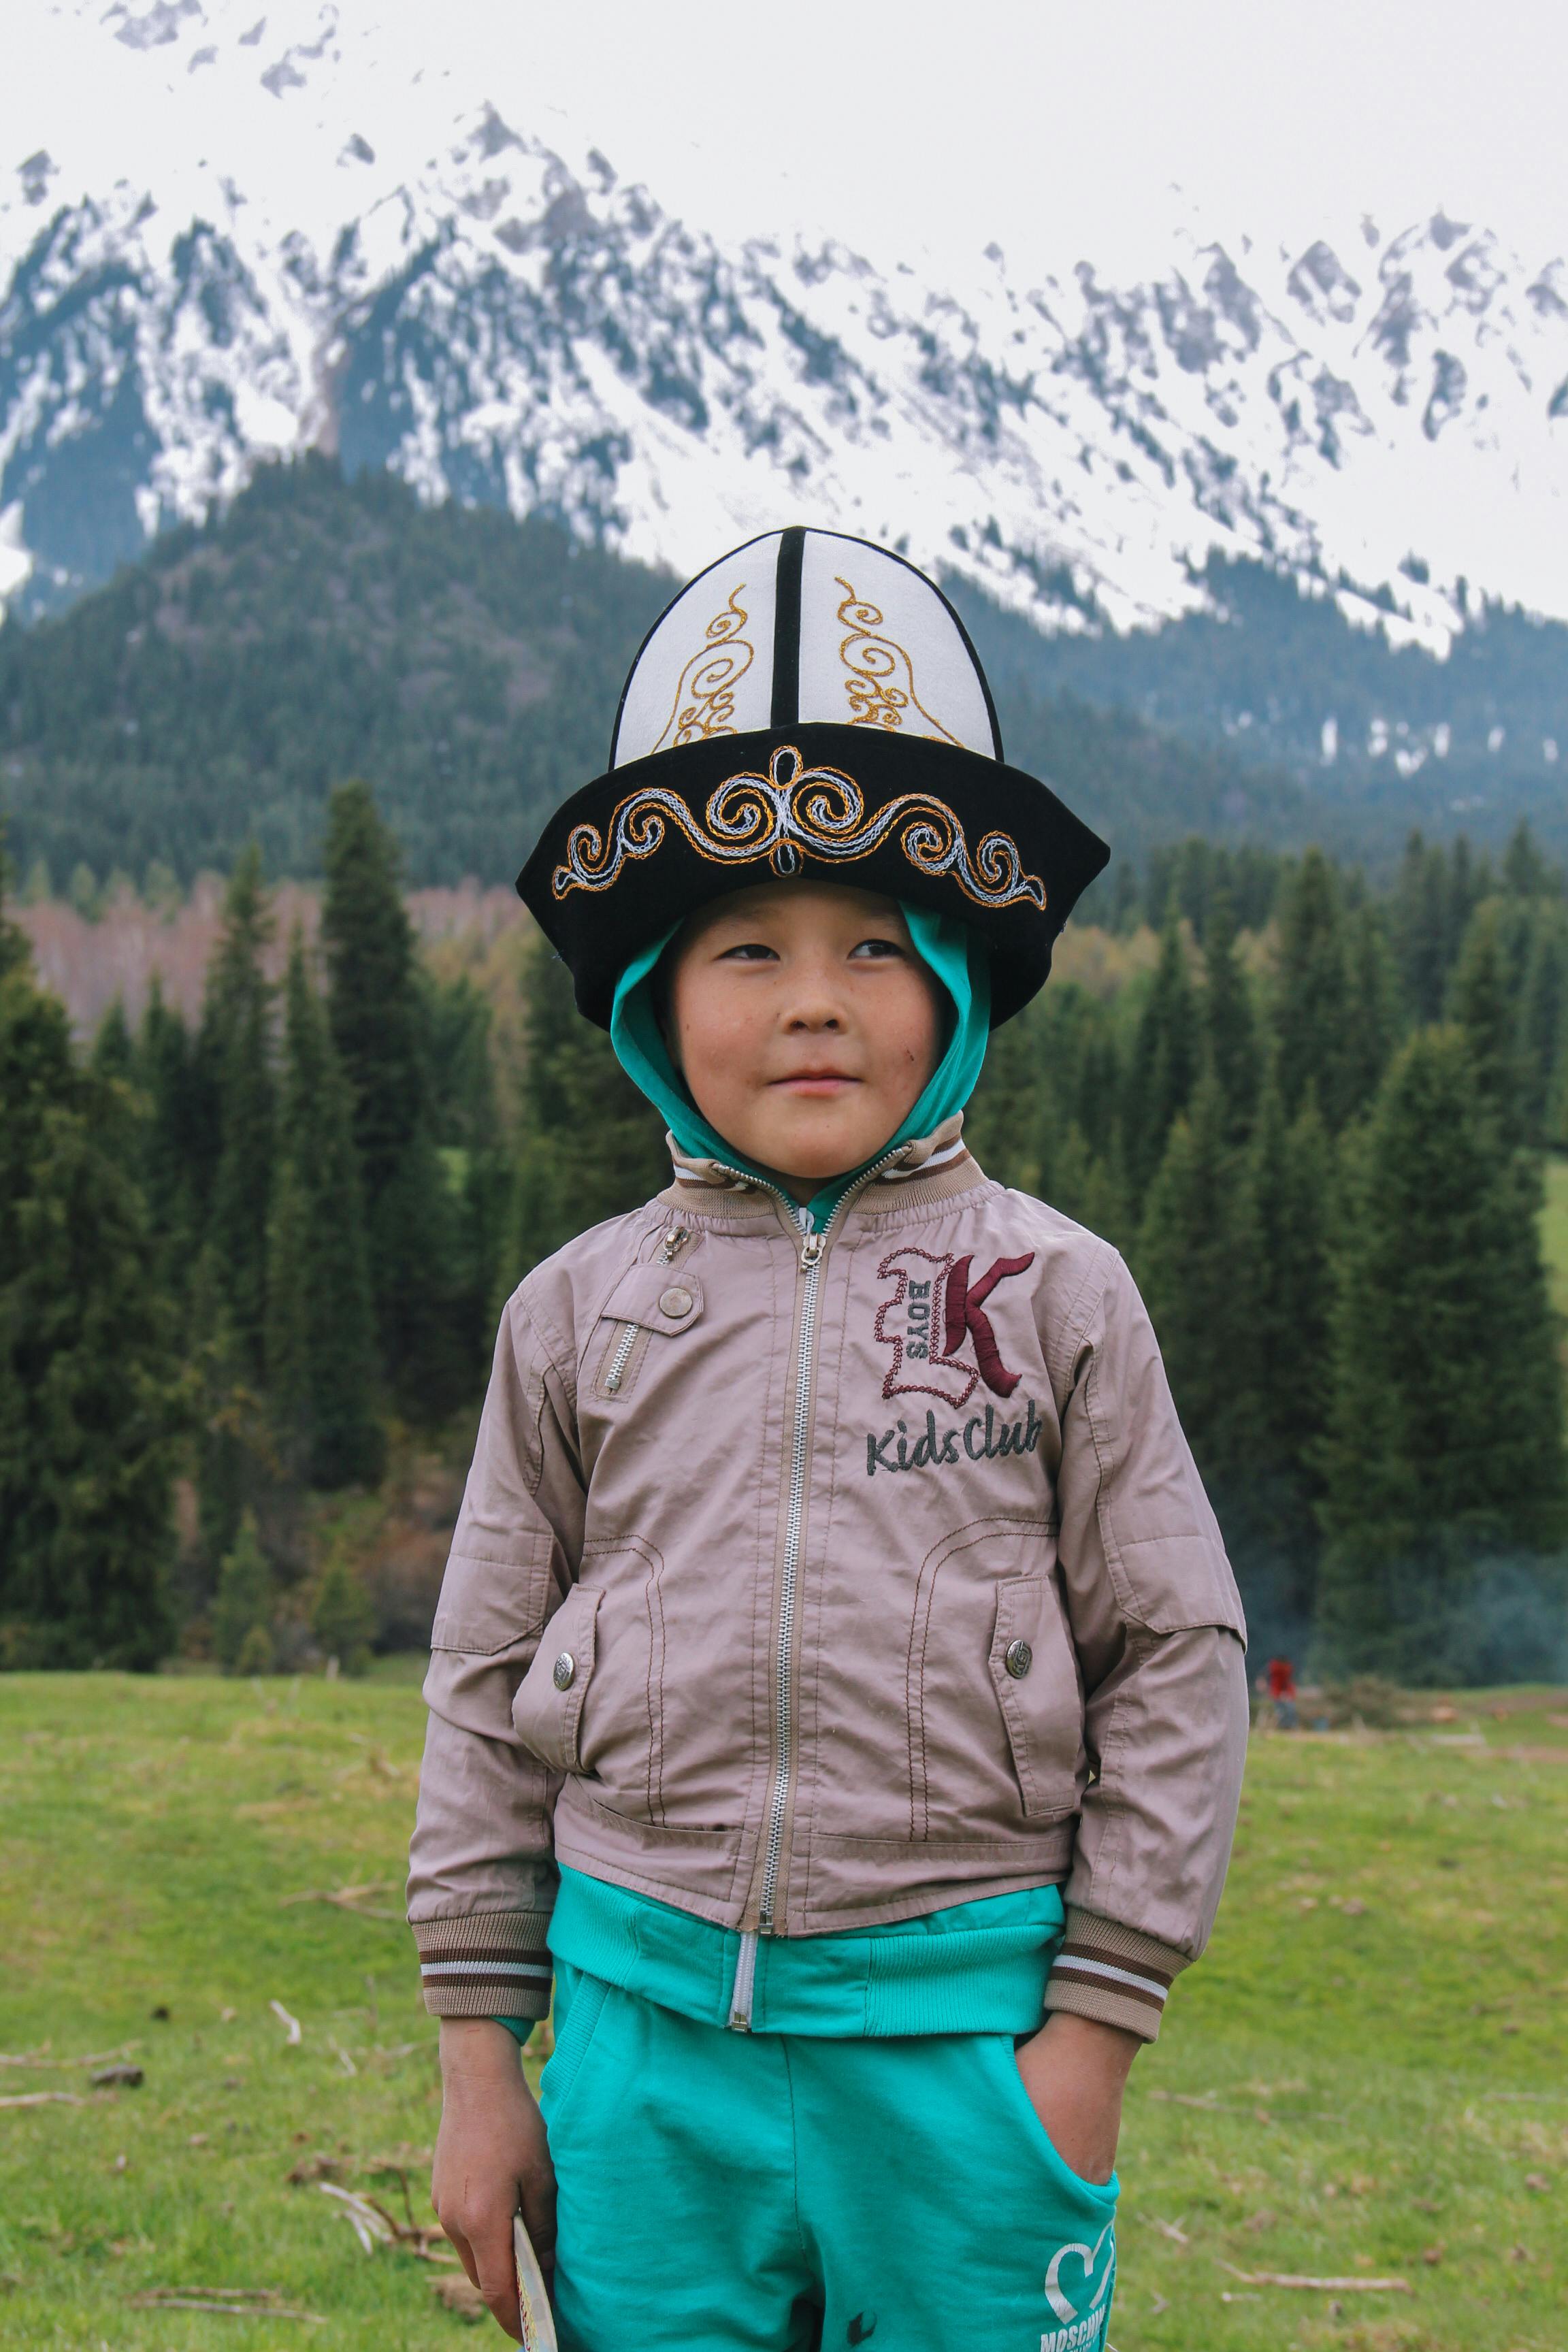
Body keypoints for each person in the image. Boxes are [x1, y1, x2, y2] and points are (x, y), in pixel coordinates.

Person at [407, 527, 1250, 2352]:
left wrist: (1089, 2043)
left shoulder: (1060, 1297)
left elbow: (1179, 1663)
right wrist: (487, 2066)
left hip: (965, 2069)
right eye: (745, 949)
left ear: (955, 987)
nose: (811, 998)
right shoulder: (569, 1315)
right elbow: (483, 1685)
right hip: (638, 2068)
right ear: (652, 1002)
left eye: (876, 942)